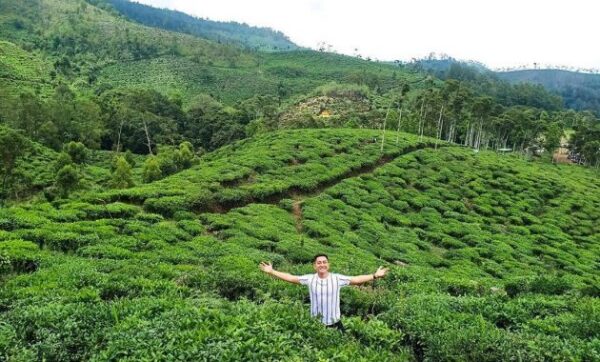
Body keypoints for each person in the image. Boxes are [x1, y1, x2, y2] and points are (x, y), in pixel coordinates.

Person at [259, 254, 389, 328]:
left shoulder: (337, 278)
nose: (322, 264)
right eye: (319, 263)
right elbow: (290, 277)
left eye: (324, 262)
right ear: (314, 266)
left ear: (328, 264)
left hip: (335, 323)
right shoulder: (309, 279)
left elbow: (356, 279)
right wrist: (272, 272)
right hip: (316, 324)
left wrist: (374, 275)